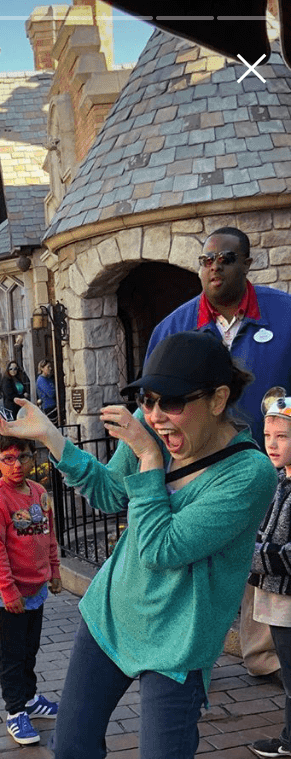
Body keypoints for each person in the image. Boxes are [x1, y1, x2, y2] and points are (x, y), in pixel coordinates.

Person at [0, 331, 291, 759]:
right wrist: (52, 437)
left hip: (177, 640)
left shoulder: (249, 473)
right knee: (71, 748)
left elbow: (162, 547)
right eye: (148, 400)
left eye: (171, 402)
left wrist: (152, 460)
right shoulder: (150, 430)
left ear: (218, 398)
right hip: (111, 614)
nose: (154, 415)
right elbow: (111, 494)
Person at [146, 226, 291, 684]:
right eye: (206, 260)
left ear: (247, 263)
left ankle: (264, 656)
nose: (215, 267)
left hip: (266, 466)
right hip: (195, 471)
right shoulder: (173, 327)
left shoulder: (285, 315)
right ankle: (184, 661)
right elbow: (154, 404)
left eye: (226, 259)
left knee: (261, 559)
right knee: (196, 566)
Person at [0, 435, 62, 745]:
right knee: (12, 655)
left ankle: (29, 698)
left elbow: (48, 534)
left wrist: (54, 570)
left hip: (35, 590)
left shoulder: (39, 492)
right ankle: (15, 711)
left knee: (29, 649)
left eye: (23, 457)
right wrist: (8, 590)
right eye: (9, 459)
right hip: (8, 595)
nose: (17, 465)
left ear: (33, 457)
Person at [248, 393, 291, 759]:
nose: (272, 444)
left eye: (283, 436)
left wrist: (251, 554)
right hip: (277, 600)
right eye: (268, 435)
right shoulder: (279, 481)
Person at [35, 360, 57, 424]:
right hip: (48, 407)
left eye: (50, 367)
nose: (50, 368)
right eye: (48, 367)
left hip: (53, 406)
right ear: (42, 368)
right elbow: (51, 393)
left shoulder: (49, 379)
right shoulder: (41, 380)